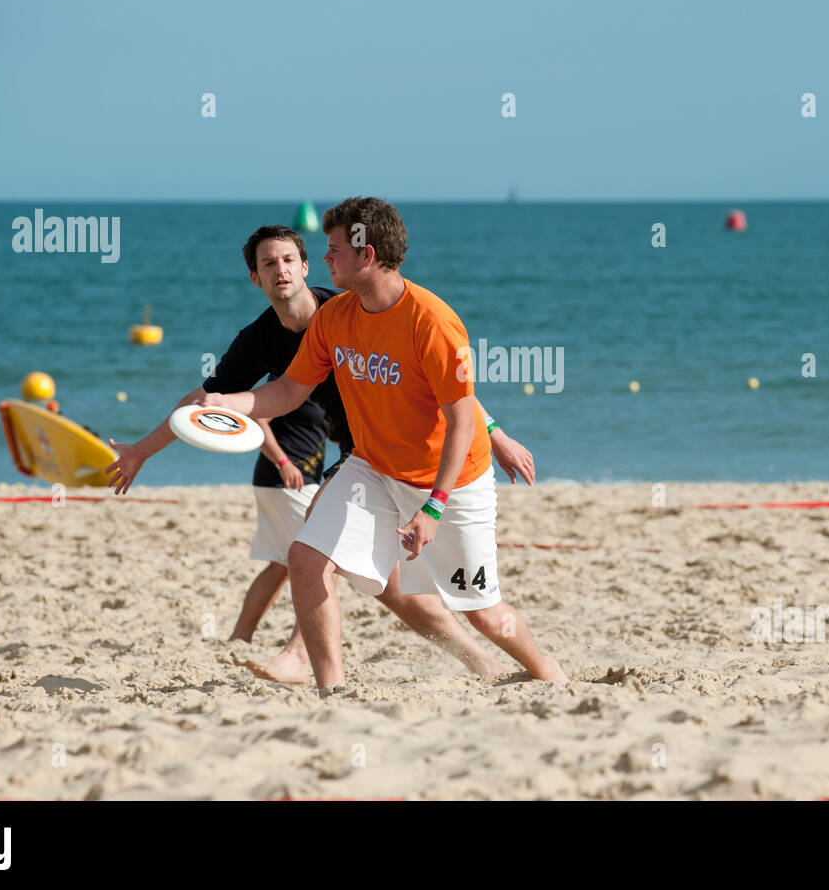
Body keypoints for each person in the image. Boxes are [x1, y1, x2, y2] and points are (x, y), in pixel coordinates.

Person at [105, 225, 537, 681]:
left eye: (289, 260)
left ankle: (299, 655)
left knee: (321, 547)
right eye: (268, 264)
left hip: (401, 452)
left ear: (307, 267)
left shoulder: (345, 308)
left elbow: (444, 378)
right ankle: (479, 663)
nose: (281, 270)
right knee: (387, 588)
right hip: (363, 454)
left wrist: (497, 434)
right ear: (255, 278)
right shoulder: (259, 339)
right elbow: (205, 398)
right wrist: (141, 451)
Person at [203, 198, 567, 688]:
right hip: (371, 466)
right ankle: (332, 690)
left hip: (451, 480)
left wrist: (434, 508)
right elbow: (289, 391)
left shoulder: (431, 322)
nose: (325, 261)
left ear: (366, 255)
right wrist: (231, 403)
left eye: (333, 250)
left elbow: (462, 418)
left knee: (482, 612)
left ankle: (550, 676)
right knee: (306, 559)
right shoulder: (335, 317)